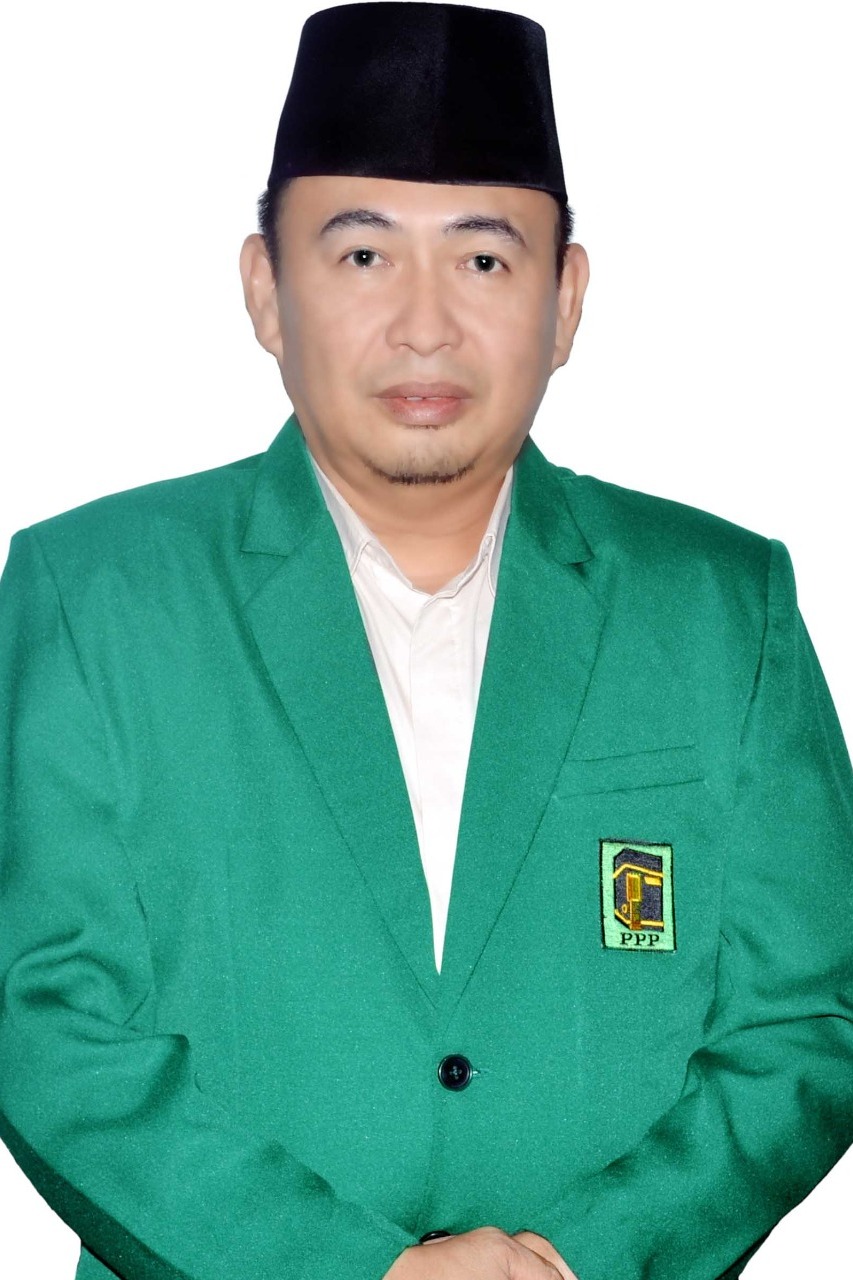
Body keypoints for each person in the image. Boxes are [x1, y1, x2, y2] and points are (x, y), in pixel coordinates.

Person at [1, 3, 851, 1279]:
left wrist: (583, 1257)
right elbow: (40, 1018)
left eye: (485, 260)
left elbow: (810, 1016)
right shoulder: (93, 593)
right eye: (361, 253)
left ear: (565, 300)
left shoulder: (722, 607)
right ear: (264, 289)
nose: (424, 326)